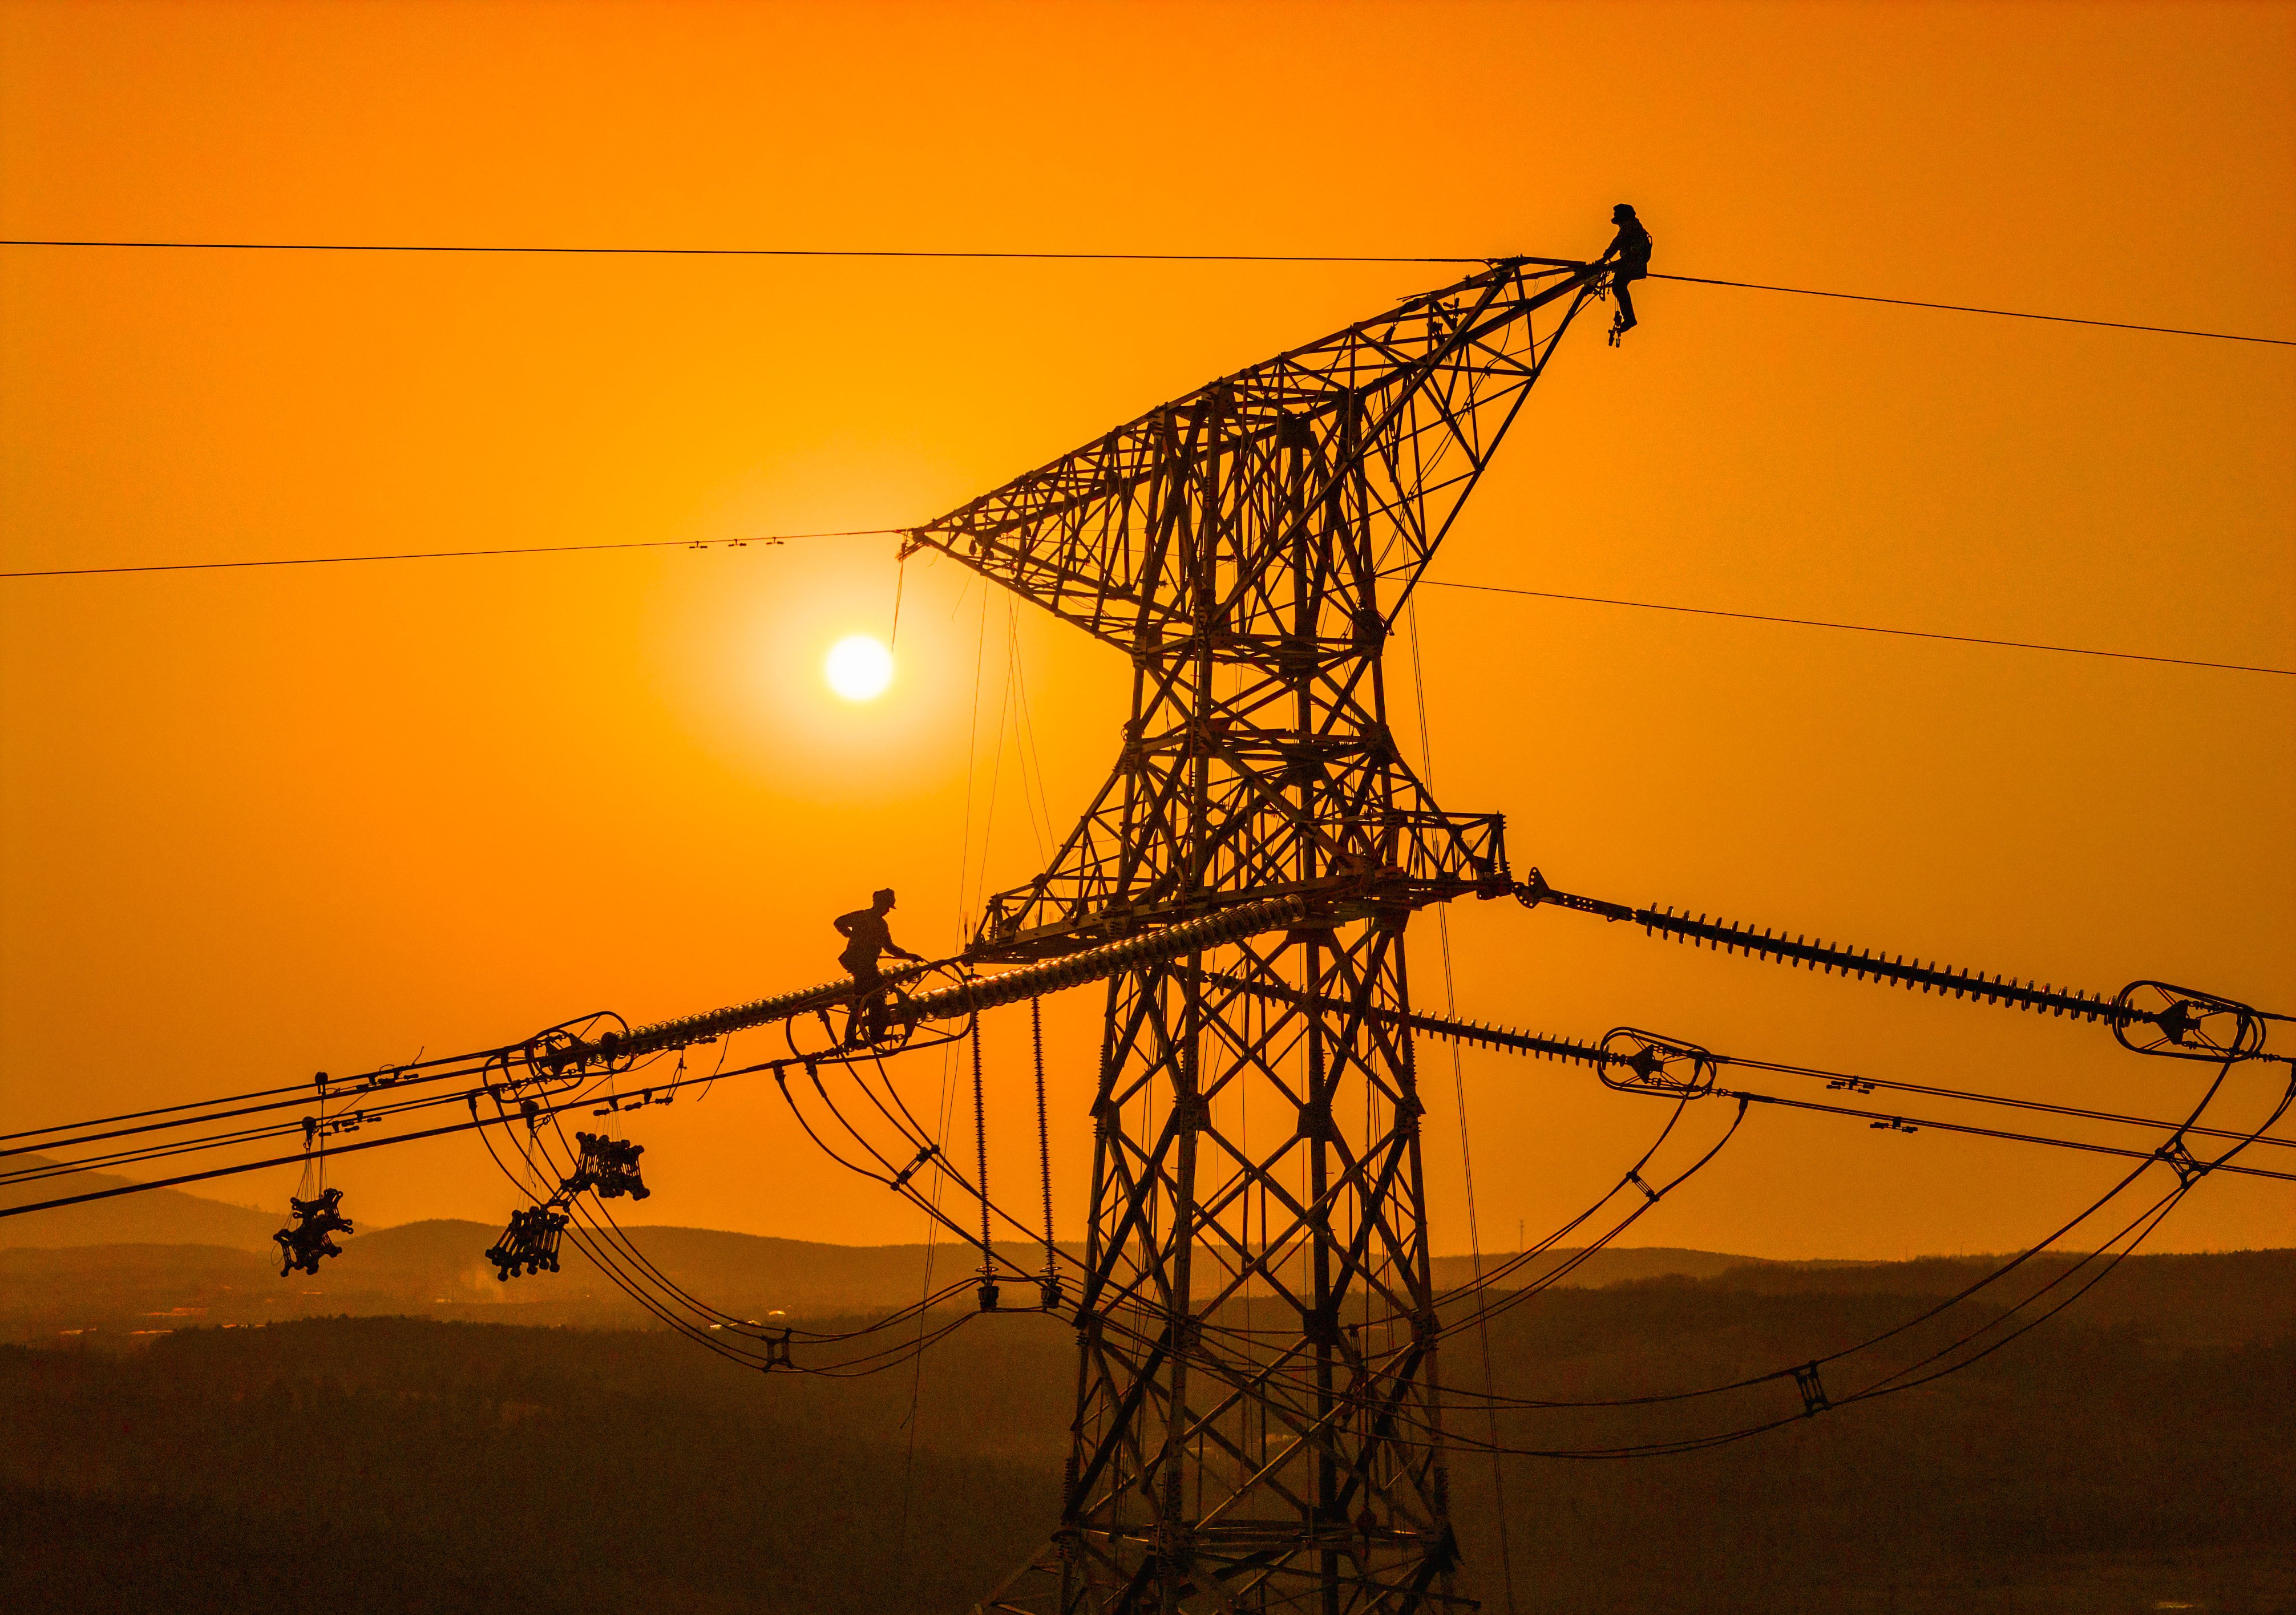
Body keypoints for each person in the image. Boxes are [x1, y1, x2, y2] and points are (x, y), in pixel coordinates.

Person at [835, 888, 923, 1042]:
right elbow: (839, 922)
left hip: (867, 963)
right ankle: (873, 1035)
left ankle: (854, 1037)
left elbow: (890, 947)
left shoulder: (881, 925)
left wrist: (909, 956)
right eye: (887, 907)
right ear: (879, 904)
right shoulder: (862, 917)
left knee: (864, 998)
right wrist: (849, 934)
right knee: (875, 995)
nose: (888, 911)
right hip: (861, 963)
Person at [1604, 203, 1653, 341]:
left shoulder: (1630, 227)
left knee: (1618, 286)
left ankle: (1630, 319)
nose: (1619, 225)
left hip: (1633, 262)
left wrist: (1604, 259)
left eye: (1619, 221)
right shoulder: (1634, 226)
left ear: (1624, 218)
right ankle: (1629, 319)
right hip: (1633, 262)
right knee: (1619, 286)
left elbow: (1617, 243)